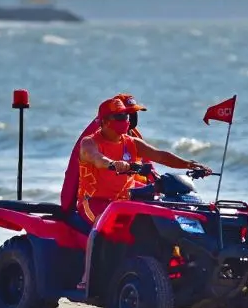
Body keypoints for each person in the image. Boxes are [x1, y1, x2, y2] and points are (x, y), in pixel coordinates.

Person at [76, 96, 211, 224]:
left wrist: (189, 165)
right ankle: (96, 248)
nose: (125, 120)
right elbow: (98, 159)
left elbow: (161, 156)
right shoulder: (89, 143)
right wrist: (113, 164)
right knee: (104, 223)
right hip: (94, 202)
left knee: (160, 211)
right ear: (104, 121)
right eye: (119, 116)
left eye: (126, 116)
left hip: (124, 199)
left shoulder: (132, 143)